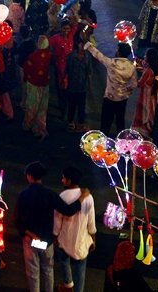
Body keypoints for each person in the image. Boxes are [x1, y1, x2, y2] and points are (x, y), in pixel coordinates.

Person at [16, 161, 82, 292]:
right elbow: (67, 210)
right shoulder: (50, 194)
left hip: (31, 239)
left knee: (33, 272)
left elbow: (17, 220)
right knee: (48, 269)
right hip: (47, 240)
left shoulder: (23, 195)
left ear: (29, 176)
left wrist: (28, 233)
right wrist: (80, 199)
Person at [54, 166, 96, 292]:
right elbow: (91, 221)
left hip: (64, 239)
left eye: (63, 178)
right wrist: (93, 237)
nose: (62, 180)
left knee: (64, 260)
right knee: (80, 270)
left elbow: (57, 221)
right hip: (82, 241)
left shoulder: (62, 196)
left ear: (69, 180)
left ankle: (68, 283)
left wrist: (55, 235)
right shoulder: (88, 197)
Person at [85, 40, 137, 136]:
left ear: (119, 52)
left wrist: (88, 45)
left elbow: (99, 56)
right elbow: (134, 84)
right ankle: (121, 143)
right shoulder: (131, 67)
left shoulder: (112, 63)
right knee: (120, 122)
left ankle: (103, 142)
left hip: (110, 97)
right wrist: (126, 91)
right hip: (122, 99)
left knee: (106, 122)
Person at [22, 35, 52, 139]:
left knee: (32, 105)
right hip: (44, 84)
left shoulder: (33, 56)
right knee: (42, 108)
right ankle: (40, 127)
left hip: (33, 84)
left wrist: (25, 79)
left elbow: (27, 67)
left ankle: (28, 125)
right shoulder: (49, 55)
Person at [133, 48, 158, 137]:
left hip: (144, 99)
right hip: (153, 98)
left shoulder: (148, 72)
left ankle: (141, 134)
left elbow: (139, 83)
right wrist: (136, 60)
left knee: (143, 117)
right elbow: (143, 64)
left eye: (146, 55)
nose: (144, 56)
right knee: (150, 116)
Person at [66, 38, 92, 132]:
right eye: (82, 44)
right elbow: (67, 70)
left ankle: (80, 124)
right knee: (72, 105)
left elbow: (89, 72)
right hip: (72, 85)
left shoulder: (88, 56)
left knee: (81, 106)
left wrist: (89, 86)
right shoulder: (71, 56)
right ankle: (70, 122)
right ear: (78, 45)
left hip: (82, 87)